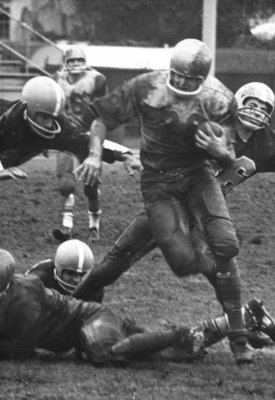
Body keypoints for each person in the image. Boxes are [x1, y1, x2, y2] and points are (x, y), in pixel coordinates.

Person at [72, 81, 275, 310]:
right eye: (252, 103)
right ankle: (73, 301)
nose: (257, 111)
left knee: (217, 268)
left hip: (204, 213)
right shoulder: (212, 124)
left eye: (264, 109)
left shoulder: (267, 145)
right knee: (118, 259)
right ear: (238, 102)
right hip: (169, 202)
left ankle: (244, 322)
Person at [75, 38, 254, 364]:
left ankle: (240, 338)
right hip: (160, 185)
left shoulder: (218, 99)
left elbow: (230, 155)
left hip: (198, 178)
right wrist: (94, 155)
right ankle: (71, 310)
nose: (183, 83)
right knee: (116, 260)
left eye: (191, 79)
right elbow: (101, 120)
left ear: (203, 78)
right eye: (179, 76)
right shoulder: (146, 86)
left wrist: (219, 152)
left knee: (224, 249)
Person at [0, 249, 275, 365]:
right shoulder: (20, 285)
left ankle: (179, 334)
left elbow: (24, 352)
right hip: (84, 324)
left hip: (87, 321)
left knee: (106, 353)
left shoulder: (22, 299)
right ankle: (241, 317)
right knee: (168, 354)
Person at [0, 76, 140, 225]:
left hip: (19, 152)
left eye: (52, 118)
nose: (48, 124)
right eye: (44, 117)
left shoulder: (59, 130)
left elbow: (88, 142)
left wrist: (124, 154)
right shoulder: (6, 118)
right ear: (29, 108)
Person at [53, 45, 109, 242]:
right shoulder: (56, 80)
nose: (76, 64)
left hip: (88, 137)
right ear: (65, 64)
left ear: (85, 62)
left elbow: (103, 111)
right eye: (71, 61)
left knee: (90, 188)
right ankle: (66, 226)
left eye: (79, 60)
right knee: (66, 184)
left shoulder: (97, 80)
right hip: (66, 136)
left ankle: (94, 226)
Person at [25, 239, 104, 303]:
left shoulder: (95, 288)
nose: (77, 279)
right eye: (71, 273)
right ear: (59, 270)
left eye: (82, 274)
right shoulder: (39, 281)